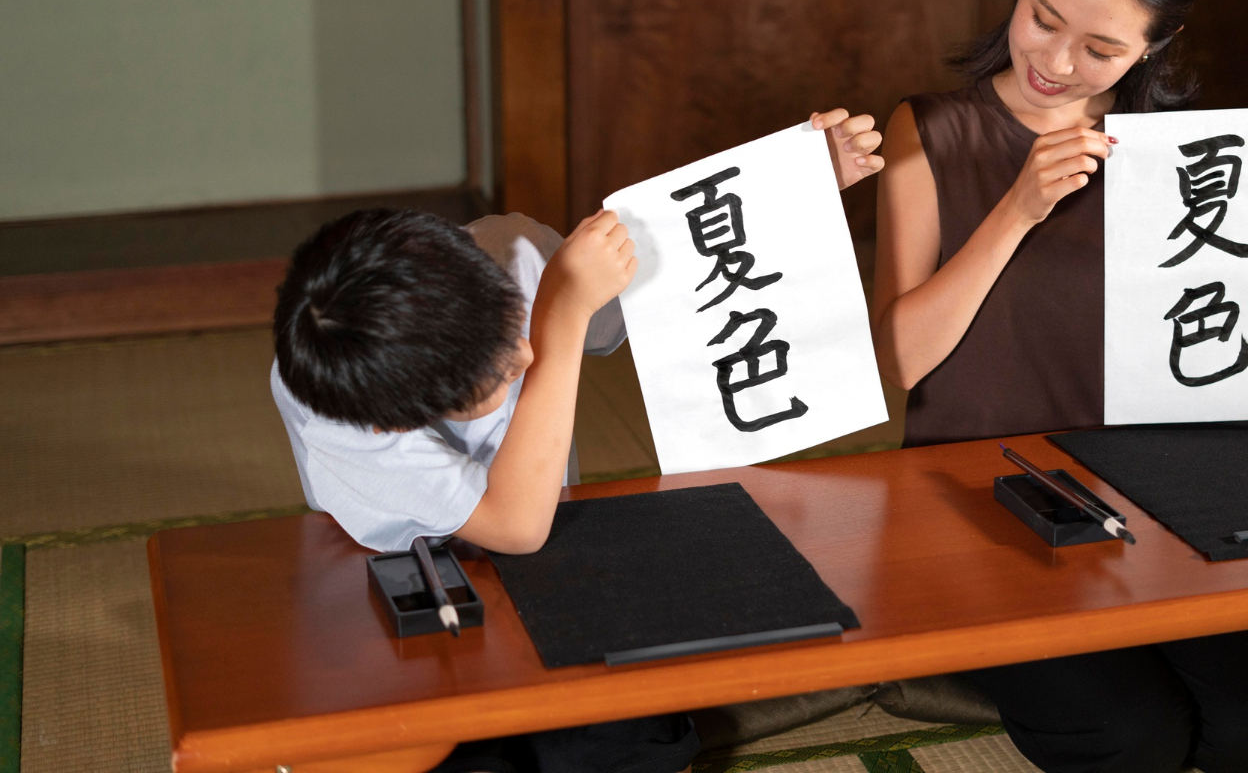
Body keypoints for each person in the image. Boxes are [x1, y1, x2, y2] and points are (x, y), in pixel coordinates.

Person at [871, 0, 1248, 773]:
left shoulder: (1179, 152)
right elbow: (898, 360)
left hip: (1141, 488)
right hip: (978, 495)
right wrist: (1016, 211)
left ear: (1157, 44)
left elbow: (1226, 342)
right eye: (1043, 18)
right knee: (1131, 739)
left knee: (1245, 730)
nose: (1059, 63)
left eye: (1102, 47)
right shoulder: (931, 132)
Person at [270, 109, 884, 773]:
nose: (524, 355)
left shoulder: (512, 250)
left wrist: (796, 187)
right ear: (392, 421)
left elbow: (664, 294)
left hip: (555, 556)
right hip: (409, 580)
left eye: (512, 327)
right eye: (492, 377)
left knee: (646, 738)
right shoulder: (338, 407)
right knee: (437, 748)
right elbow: (513, 523)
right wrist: (561, 315)